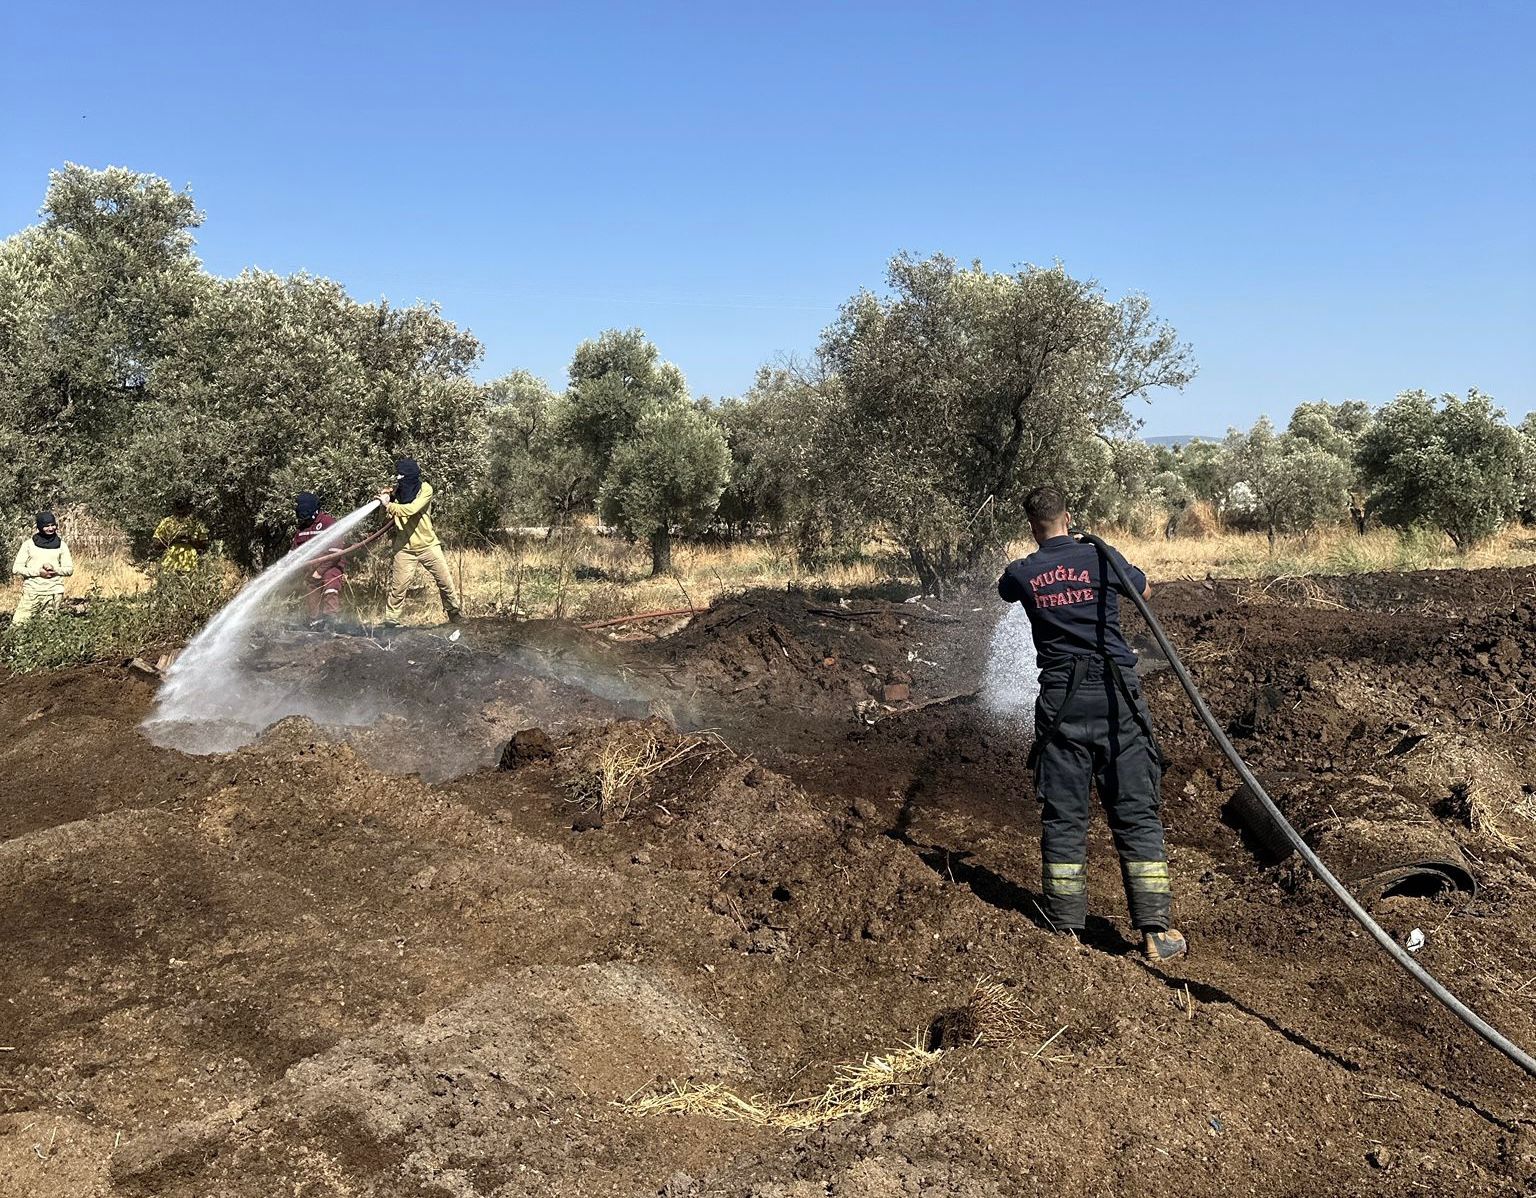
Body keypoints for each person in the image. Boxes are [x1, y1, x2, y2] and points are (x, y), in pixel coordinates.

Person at [997, 485, 1186, 962]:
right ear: (1069, 514)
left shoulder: (1023, 572)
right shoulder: (1101, 557)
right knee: (1137, 813)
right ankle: (1154, 933)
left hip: (1062, 702)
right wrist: (1093, 548)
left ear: (1031, 525)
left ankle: (1065, 932)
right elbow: (1144, 589)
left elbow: (1005, 590)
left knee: (1064, 816)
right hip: (1118, 698)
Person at [377, 458, 461, 627]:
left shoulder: (425, 489)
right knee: (398, 588)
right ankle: (391, 621)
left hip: (428, 545)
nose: (400, 481)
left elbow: (412, 509)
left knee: (445, 582)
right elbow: (383, 520)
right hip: (404, 548)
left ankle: (454, 614)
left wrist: (390, 506)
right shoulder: (396, 493)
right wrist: (383, 503)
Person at [292, 492, 347, 624]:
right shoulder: (302, 529)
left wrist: (319, 571)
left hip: (331, 565)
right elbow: (295, 551)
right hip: (311, 569)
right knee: (312, 595)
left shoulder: (328, 523)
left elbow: (335, 552)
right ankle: (314, 621)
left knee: (331, 585)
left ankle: (331, 620)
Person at [11, 512, 75, 624]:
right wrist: (38, 572)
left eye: (53, 525)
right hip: (32, 593)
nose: (51, 528)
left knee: (48, 630)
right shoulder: (28, 545)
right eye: (46, 526)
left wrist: (55, 570)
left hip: (54, 593)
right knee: (18, 625)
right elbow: (16, 568)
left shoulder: (61, 545)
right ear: (40, 526)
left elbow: (69, 569)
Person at [153, 499, 210, 573]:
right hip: (170, 564)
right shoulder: (167, 522)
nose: (180, 510)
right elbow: (156, 542)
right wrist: (173, 540)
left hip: (190, 564)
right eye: (178, 506)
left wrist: (191, 541)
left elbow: (204, 543)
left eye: (182, 507)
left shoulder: (195, 523)